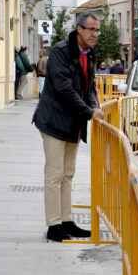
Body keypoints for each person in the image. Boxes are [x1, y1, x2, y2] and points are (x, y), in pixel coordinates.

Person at [32, 14, 103, 242]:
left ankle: (66, 220)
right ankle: (54, 225)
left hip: (73, 122)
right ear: (79, 29)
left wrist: (94, 106)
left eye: (97, 30)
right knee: (54, 174)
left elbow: (89, 86)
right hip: (54, 120)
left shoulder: (89, 53)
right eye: (91, 29)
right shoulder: (61, 52)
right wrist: (89, 111)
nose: (95, 34)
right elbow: (64, 89)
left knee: (68, 174)